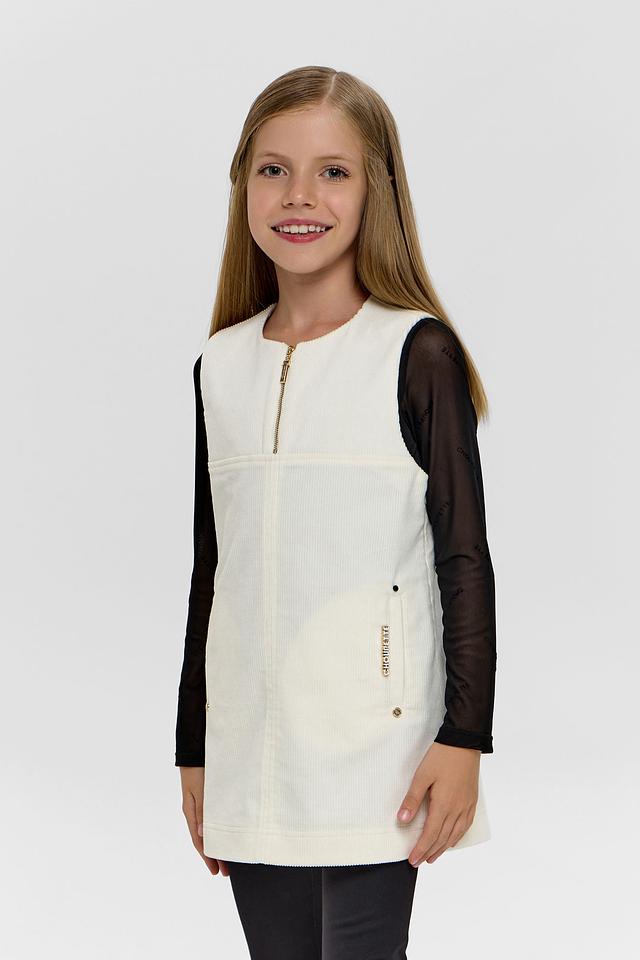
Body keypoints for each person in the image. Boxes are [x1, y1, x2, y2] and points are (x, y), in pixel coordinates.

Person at [175, 65, 497, 960]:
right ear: (243, 185)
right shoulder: (221, 366)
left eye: (333, 171)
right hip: (252, 756)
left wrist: (465, 736)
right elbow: (214, 572)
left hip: (378, 757)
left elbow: (463, 560)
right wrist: (195, 748)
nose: (299, 196)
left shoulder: (416, 353)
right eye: (273, 170)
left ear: (376, 189)